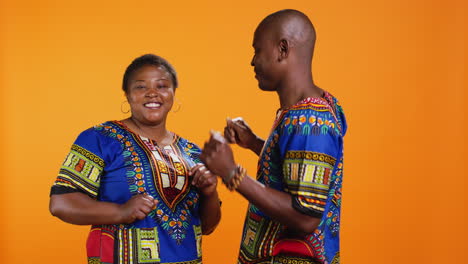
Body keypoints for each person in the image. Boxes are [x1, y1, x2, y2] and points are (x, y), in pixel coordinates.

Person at [200, 10, 347, 264]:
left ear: (282, 49)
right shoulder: (313, 109)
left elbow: (306, 217)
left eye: (257, 50)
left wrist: (232, 173)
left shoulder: (310, 121)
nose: (252, 61)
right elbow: (297, 170)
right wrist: (255, 143)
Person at [49, 54, 221, 264]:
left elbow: (207, 227)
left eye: (162, 86)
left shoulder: (192, 152)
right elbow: (61, 203)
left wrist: (210, 192)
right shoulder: (100, 138)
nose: (152, 93)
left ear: (173, 94)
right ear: (128, 95)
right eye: (141, 87)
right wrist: (120, 211)